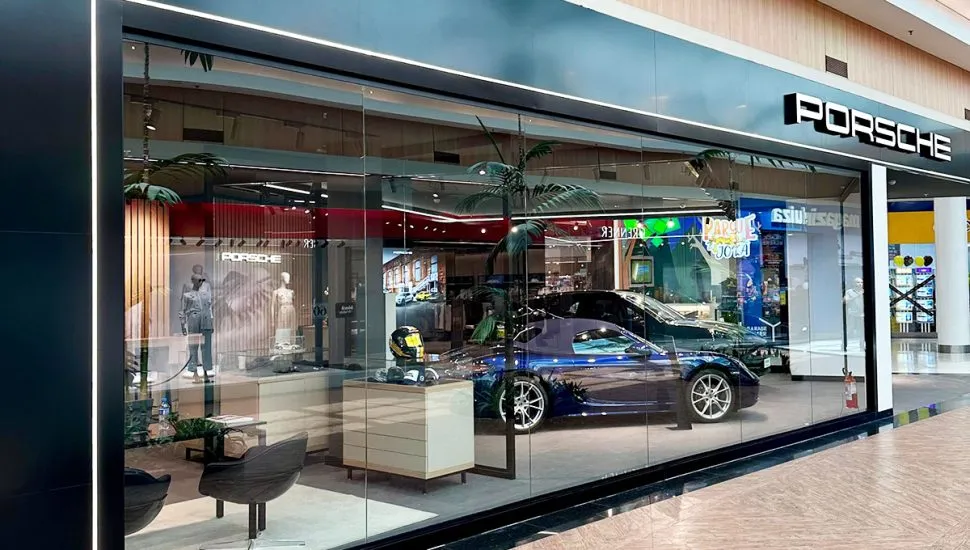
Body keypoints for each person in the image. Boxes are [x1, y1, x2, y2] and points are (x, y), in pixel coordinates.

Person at [844, 277, 865, 351]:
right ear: (854, 283)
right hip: (852, 315)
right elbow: (845, 301)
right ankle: (844, 344)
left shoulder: (864, 291)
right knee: (850, 330)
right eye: (858, 282)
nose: (860, 284)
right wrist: (857, 295)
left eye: (861, 282)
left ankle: (862, 346)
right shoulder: (849, 292)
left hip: (862, 315)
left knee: (862, 331)